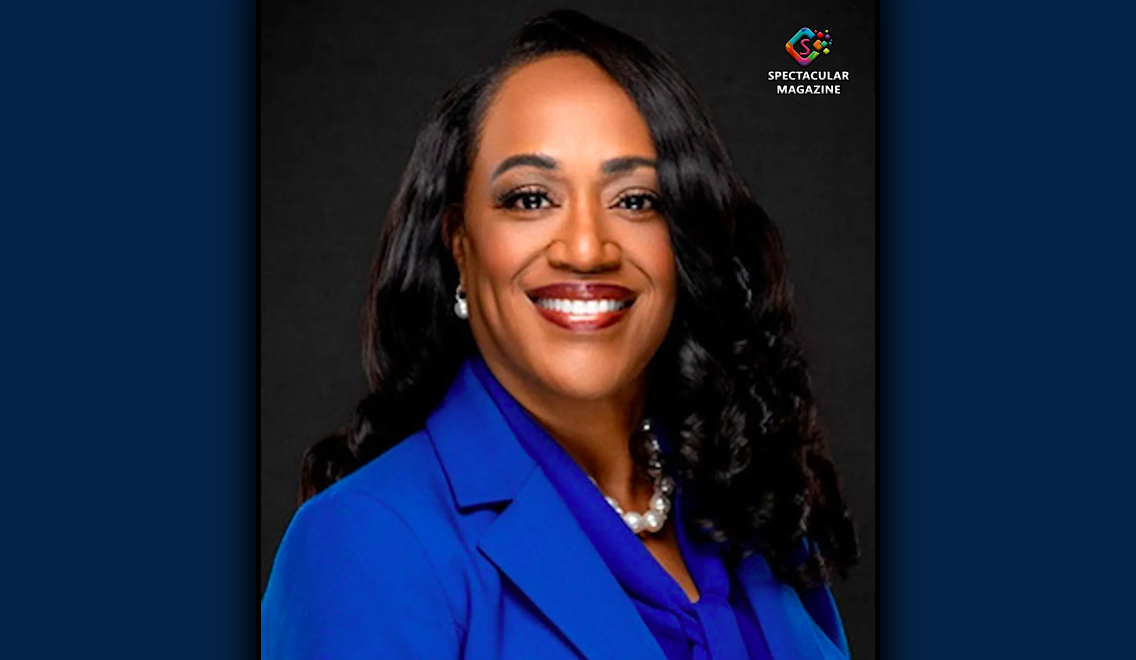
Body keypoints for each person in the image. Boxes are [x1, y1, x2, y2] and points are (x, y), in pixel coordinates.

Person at [261, 9, 859, 660]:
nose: (586, 248)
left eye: (635, 200)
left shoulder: (753, 506)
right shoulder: (364, 542)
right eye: (530, 198)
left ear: (682, 242)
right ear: (459, 243)